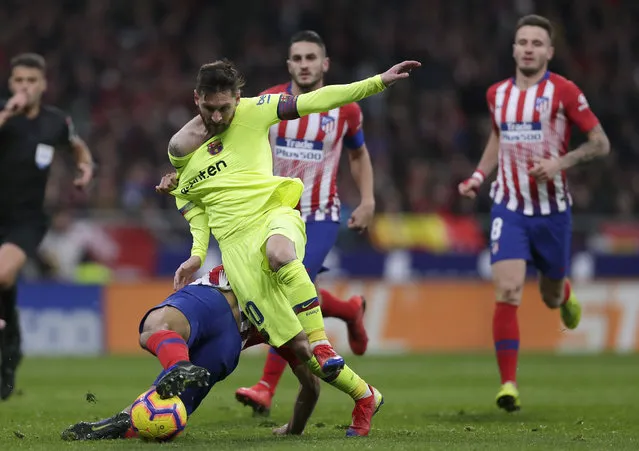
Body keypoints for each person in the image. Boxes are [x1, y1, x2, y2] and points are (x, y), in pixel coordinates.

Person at [161, 58, 419, 436]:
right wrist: (197, 254)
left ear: (238, 97)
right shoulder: (180, 148)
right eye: (209, 108)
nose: (217, 117)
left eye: (225, 108)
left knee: (281, 254)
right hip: (237, 252)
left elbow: (321, 99)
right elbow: (196, 207)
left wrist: (378, 82)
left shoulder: (258, 110)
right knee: (297, 350)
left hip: (274, 216)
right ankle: (365, 396)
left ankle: (323, 340)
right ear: (196, 98)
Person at [458, 15, 610, 412]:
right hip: (507, 206)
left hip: (552, 211)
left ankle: (564, 293)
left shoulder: (564, 91)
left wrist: (561, 163)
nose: (528, 48)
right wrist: (478, 176)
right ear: (513, 49)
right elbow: (497, 136)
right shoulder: (497, 95)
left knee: (549, 294)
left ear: (549, 52)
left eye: (537, 43)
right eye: (522, 41)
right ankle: (508, 383)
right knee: (507, 290)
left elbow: (600, 143)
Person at [230, 30, 374, 416]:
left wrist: (369, 199)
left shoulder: (345, 109)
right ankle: (346, 310)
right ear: (289, 64)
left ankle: (266, 386)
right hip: (276, 213)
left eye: (312, 57)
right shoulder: (270, 103)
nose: (305, 64)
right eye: (298, 58)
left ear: (324, 64)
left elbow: (358, 155)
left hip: (321, 214)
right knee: (292, 289)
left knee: (288, 292)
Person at [61, 265, 320, 441]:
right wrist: (293, 430)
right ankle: (126, 421)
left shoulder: (259, 241)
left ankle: (176, 366)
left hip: (213, 298)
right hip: (229, 345)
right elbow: (311, 385)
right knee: (169, 411)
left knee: (155, 328)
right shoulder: (294, 317)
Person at [0, 53, 94, 400]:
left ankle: (7, 342)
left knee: (1, 276)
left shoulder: (55, 121)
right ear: (11, 84)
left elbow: (76, 145)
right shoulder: (4, 115)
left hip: (25, 219)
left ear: (43, 85)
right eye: (19, 81)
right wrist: (8, 112)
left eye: (31, 81)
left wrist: (86, 168)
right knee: (5, 285)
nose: (24, 87)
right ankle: (11, 346)